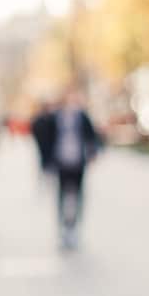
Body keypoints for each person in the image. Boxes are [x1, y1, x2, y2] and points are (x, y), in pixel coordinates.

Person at [41, 86, 101, 249]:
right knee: (61, 195)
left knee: (79, 194)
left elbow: (92, 136)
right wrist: (47, 161)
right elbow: (46, 137)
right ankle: (63, 227)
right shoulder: (56, 117)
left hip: (78, 161)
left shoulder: (82, 116)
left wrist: (93, 153)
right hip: (61, 161)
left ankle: (75, 227)